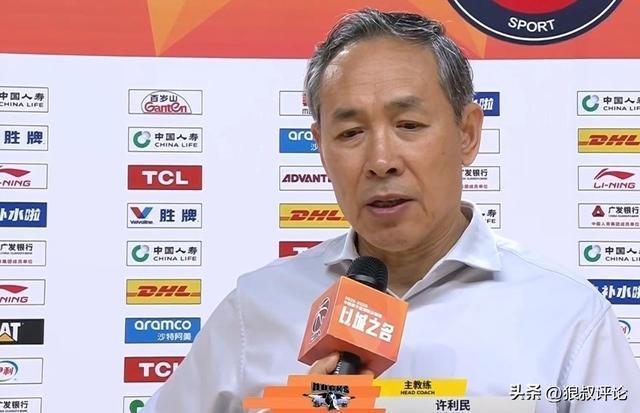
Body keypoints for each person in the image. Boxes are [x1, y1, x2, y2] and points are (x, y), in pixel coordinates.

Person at [143, 8, 640, 413]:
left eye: (409, 125)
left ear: (467, 134)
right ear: (321, 149)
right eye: (350, 133)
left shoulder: (568, 317)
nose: (381, 161)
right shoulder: (255, 309)